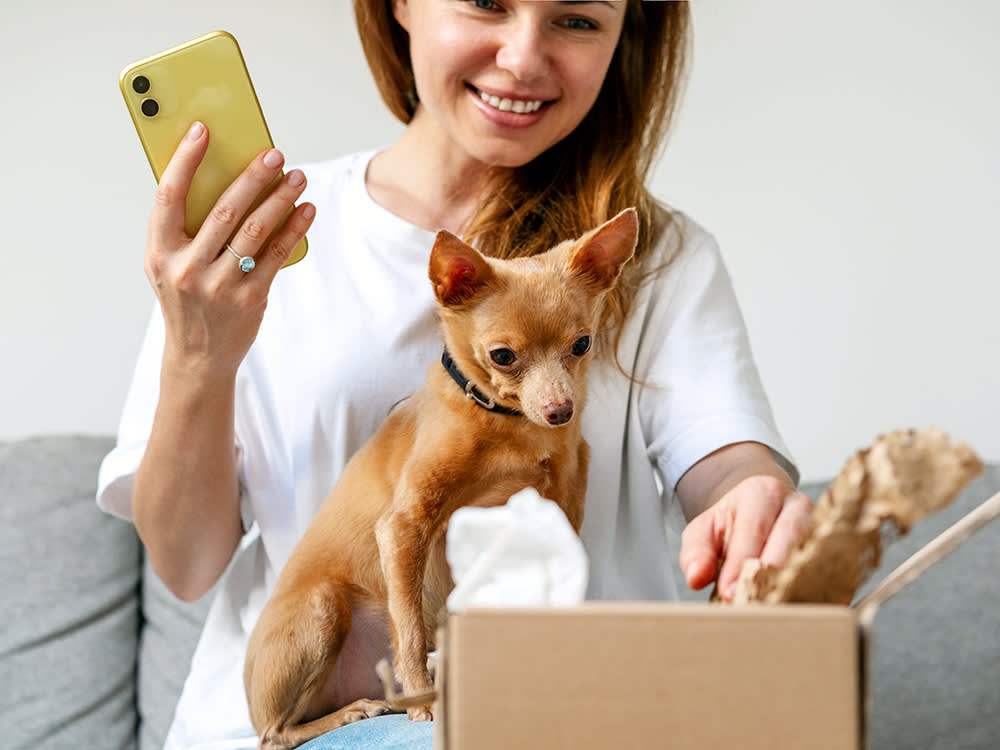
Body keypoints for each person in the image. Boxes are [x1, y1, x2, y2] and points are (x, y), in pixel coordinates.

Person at [98, 1, 814, 748]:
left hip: (569, 717)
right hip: (302, 724)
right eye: (486, 1)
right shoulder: (258, 239)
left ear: (624, 35)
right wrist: (197, 352)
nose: (523, 57)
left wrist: (750, 495)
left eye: (577, 19)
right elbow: (185, 567)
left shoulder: (652, 258)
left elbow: (725, 455)